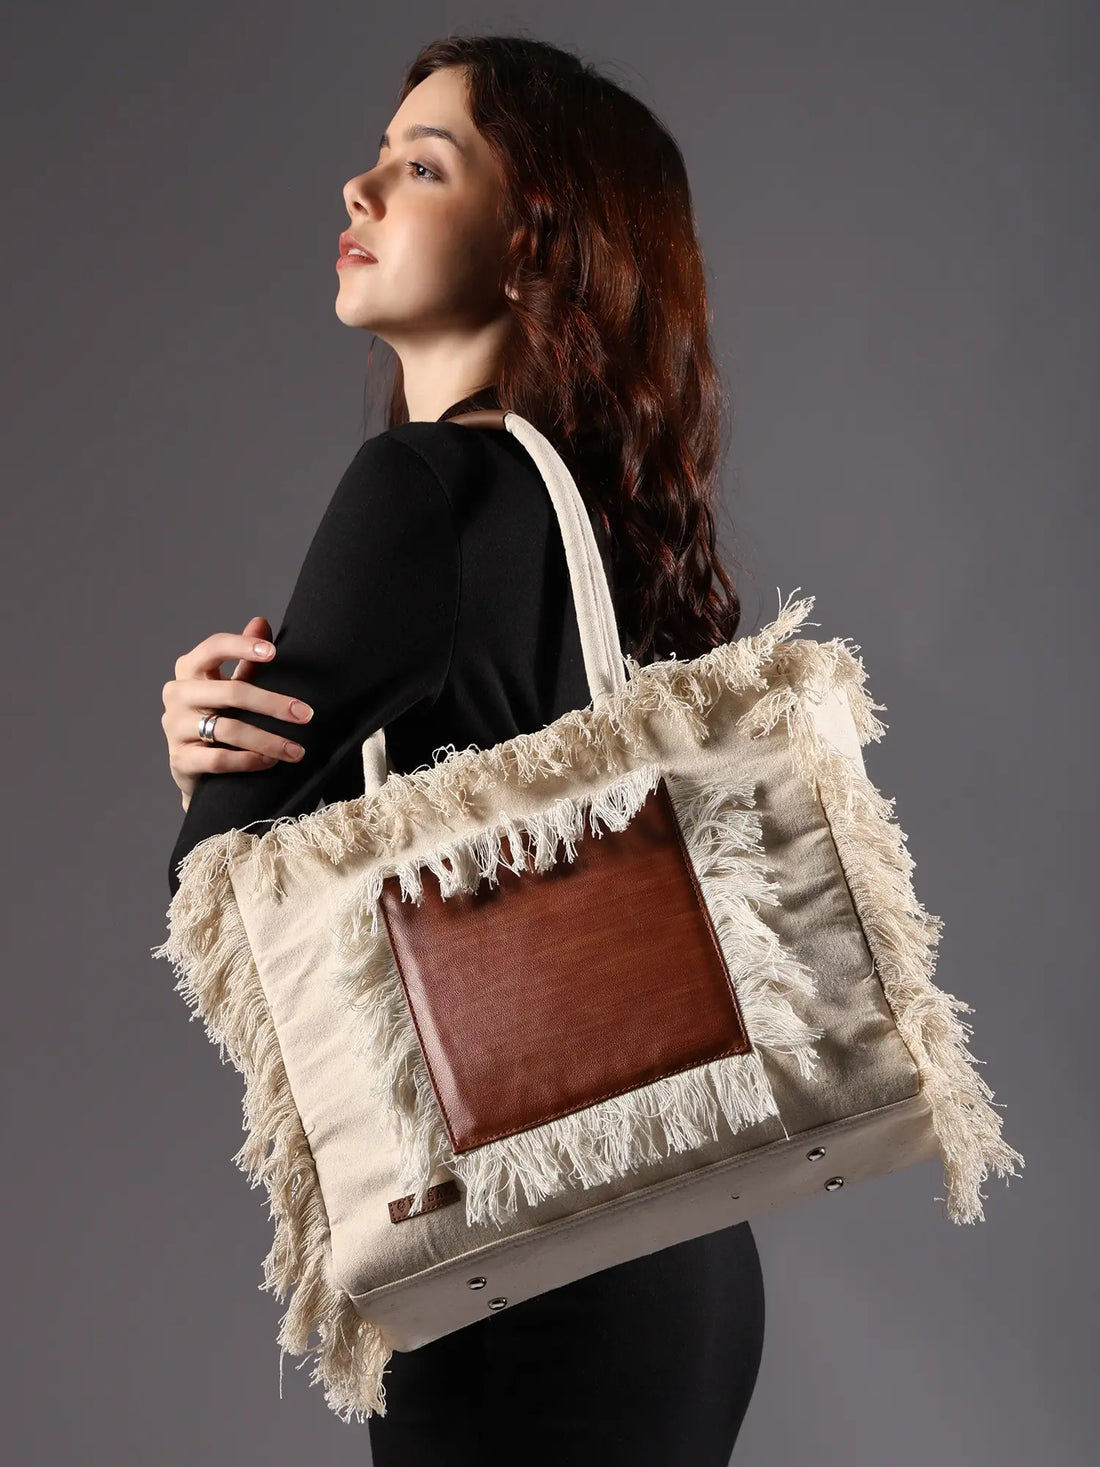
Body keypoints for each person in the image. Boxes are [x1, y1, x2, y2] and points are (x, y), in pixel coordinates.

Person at [160, 35, 765, 1466]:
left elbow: (221, 897)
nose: (359, 188)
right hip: (680, 1245)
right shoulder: (596, 524)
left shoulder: (421, 487)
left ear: (531, 243)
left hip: (520, 1265)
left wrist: (199, 772)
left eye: (423, 167)